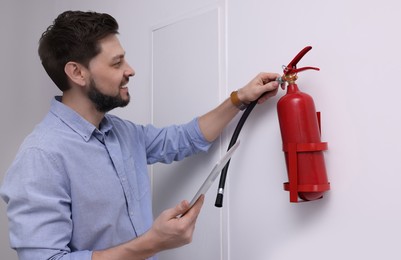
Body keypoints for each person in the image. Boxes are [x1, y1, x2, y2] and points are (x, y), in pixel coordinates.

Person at [0, 10, 283, 260]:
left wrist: (240, 98)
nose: (130, 70)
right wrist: (152, 243)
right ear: (77, 73)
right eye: (116, 63)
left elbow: (185, 138)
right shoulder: (40, 158)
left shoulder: (121, 132)